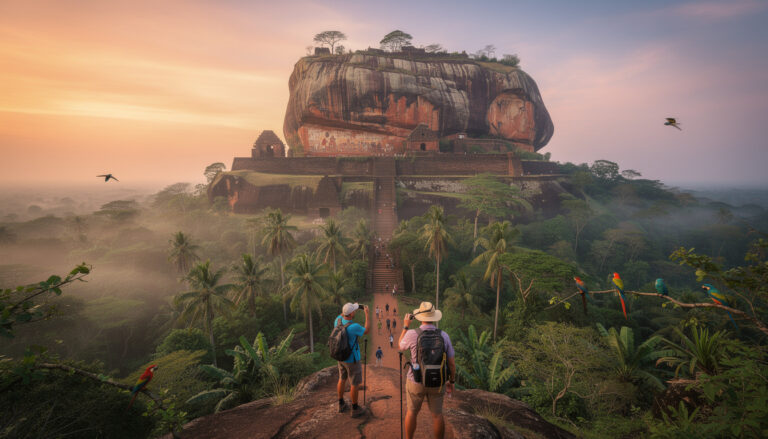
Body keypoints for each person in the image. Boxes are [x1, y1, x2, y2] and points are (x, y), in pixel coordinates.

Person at [398, 302, 456, 439]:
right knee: (437, 415)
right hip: (437, 381)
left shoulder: (412, 334)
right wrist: (451, 381)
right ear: (434, 317)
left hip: (416, 380)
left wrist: (406, 326)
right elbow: (452, 363)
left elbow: (400, 346)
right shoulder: (444, 336)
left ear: (419, 317)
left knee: (411, 412)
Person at [334, 303, 370, 418]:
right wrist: (367, 314)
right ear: (351, 314)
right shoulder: (354, 327)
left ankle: (341, 404)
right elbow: (367, 330)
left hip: (341, 357)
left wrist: (351, 308)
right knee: (354, 383)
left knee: (342, 379)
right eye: (354, 310)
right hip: (352, 359)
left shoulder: (337, 321)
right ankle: (355, 408)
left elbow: (342, 314)